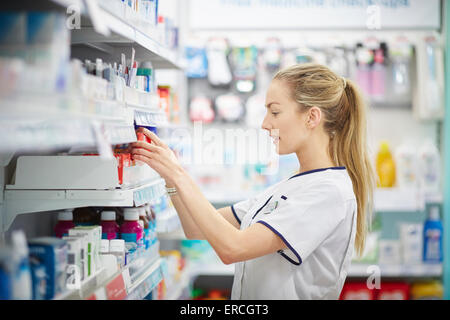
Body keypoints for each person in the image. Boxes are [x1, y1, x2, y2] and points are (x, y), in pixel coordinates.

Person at [130, 63, 375, 300]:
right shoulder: (289, 186)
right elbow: (195, 228)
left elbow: (233, 248)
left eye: (275, 112)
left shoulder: (328, 192)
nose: (265, 123)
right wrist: (169, 174)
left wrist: (179, 176)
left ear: (311, 117)